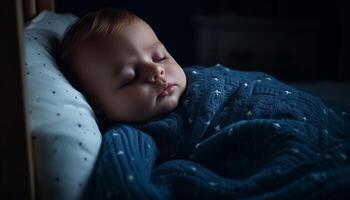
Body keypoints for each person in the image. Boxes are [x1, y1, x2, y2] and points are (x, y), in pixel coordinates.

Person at [60, 8, 350, 199]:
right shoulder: (134, 134)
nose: (155, 71)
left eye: (160, 56)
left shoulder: (201, 78)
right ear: (97, 105)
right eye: (130, 76)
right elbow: (125, 184)